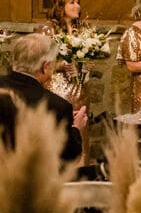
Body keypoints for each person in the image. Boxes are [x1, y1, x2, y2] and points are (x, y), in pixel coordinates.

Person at [0, 33, 86, 164]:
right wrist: (76, 128)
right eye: (53, 63)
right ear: (45, 67)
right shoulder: (58, 106)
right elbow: (68, 157)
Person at [37, 0, 91, 108]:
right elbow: (38, 62)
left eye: (78, 2)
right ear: (60, 6)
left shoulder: (81, 29)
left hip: (79, 89)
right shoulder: (47, 28)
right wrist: (60, 65)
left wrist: (86, 65)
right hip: (57, 89)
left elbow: (82, 56)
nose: (77, 6)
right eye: (72, 2)